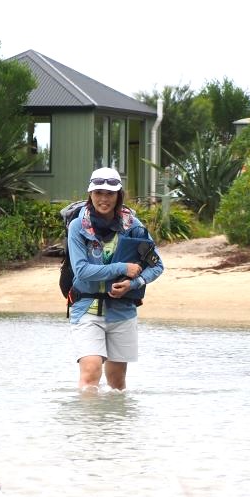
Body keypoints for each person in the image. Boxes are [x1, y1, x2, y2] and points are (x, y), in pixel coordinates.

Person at [65, 167, 164, 391]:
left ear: (119, 195)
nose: (104, 198)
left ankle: (113, 426)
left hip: (122, 311)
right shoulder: (77, 227)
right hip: (86, 309)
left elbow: (157, 266)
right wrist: (123, 268)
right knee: (90, 373)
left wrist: (134, 283)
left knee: (117, 384)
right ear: (90, 194)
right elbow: (81, 271)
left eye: (110, 193)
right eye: (98, 192)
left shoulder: (134, 227)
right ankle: (88, 426)